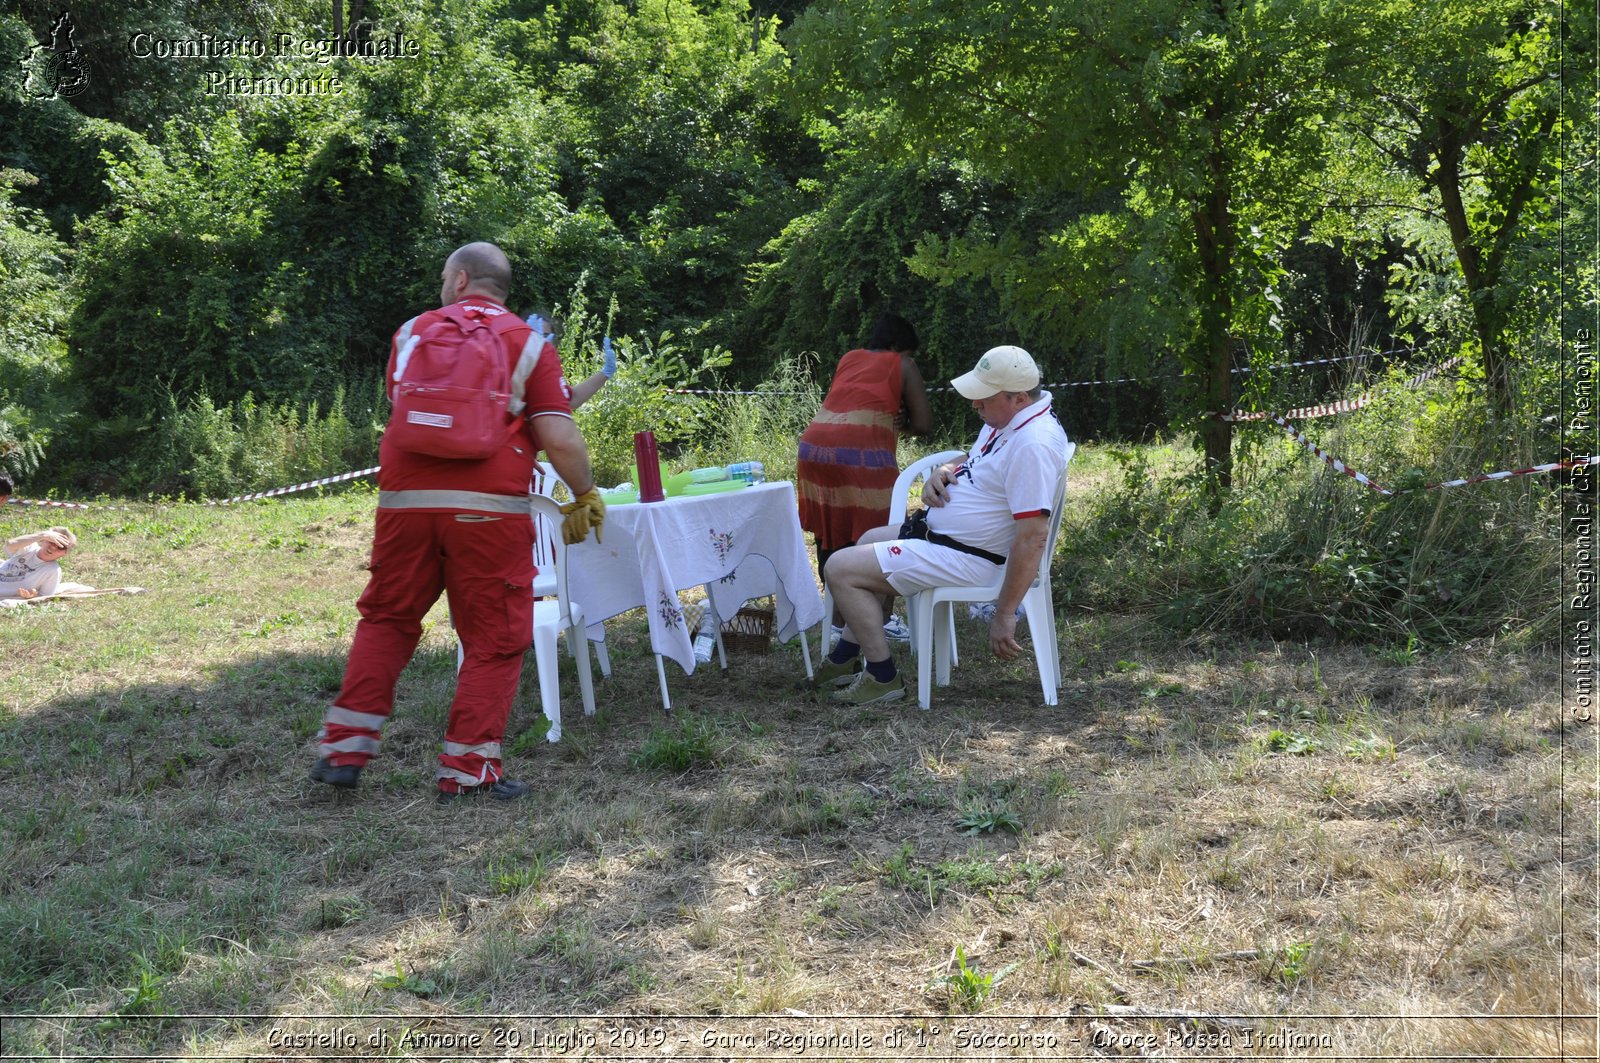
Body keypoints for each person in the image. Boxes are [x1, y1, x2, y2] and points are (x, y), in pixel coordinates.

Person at [311, 242, 606, 803]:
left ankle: (343, 749)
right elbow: (560, 436)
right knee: (495, 637)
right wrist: (585, 493)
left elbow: (407, 406)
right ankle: (468, 770)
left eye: (445, 278)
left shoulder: (413, 332)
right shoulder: (528, 343)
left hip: (404, 505)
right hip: (487, 511)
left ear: (461, 279)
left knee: (387, 619)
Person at [815, 345, 1070, 705]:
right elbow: (977, 457)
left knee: (838, 568)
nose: (974, 404)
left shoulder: (1034, 445)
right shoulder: (1010, 421)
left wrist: (1004, 613)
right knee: (868, 539)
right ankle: (845, 657)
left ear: (1019, 398)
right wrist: (947, 468)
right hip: (949, 541)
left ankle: (882, 677)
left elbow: (1032, 538)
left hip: (969, 557)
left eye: (983, 397)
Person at [796, 312, 933, 644]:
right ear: (898, 346)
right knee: (880, 535)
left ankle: (836, 620)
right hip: (861, 456)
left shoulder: (849, 358)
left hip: (814, 451)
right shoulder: (903, 365)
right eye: (908, 353)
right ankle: (874, 621)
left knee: (834, 533)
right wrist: (907, 421)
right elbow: (925, 423)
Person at [526, 311, 616, 411]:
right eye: (535, 334)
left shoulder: (550, 369)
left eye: (545, 335)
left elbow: (570, 400)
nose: (541, 340)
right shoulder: (513, 363)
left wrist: (606, 372)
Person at [1, 526, 76, 600]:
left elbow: (44, 597)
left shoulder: (53, 571)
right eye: (52, 541)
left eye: (61, 547)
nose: (53, 547)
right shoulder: (29, 547)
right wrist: (41, 535)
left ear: (64, 554)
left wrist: (32, 595)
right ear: (43, 540)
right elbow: (10, 544)